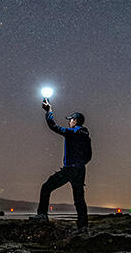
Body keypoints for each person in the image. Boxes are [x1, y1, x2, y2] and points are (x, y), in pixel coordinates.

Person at [29, 99, 92, 234]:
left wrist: (49, 111)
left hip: (70, 169)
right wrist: (80, 165)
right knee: (79, 199)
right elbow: (89, 156)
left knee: (46, 187)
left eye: (70, 120)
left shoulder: (72, 132)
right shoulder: (86, 136)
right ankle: (83, 227)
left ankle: (42, 215)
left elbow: (53, 126)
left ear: (75, 121)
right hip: (80, 170)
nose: (69, 122)